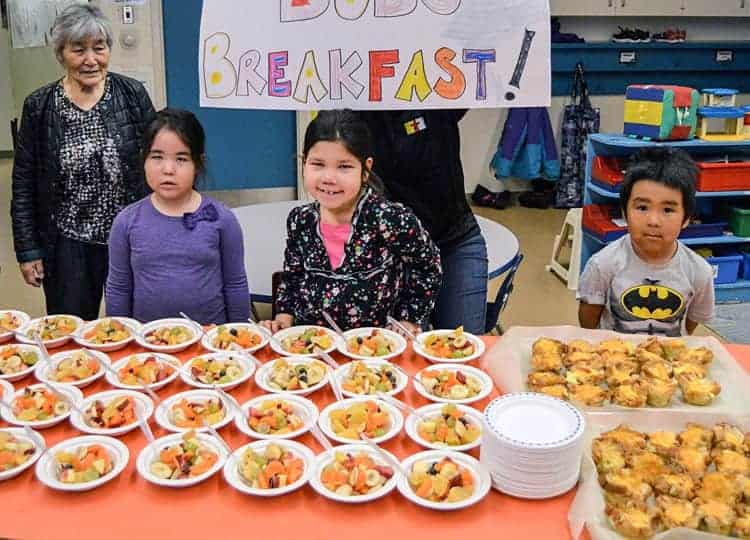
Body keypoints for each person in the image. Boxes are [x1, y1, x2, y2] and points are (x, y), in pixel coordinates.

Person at [10, 3, 156, 319]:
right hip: (67, 241)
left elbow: (157, 162)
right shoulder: (39, 105)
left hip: (127, 235)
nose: (91, 60)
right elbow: (23, 182)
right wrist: (28, 249)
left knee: (136, 325)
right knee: (72, 327)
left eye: (99, 48)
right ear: (61, 53)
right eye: (78, 50)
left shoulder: (132, 95)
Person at [261, 109, 442, 333]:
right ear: (303, 163)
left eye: (344, 167)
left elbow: (427, 266)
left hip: (374, 349)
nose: (329, 178)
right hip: (312, 349)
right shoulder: (301, 220)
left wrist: (409, 319)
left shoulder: (390, 218)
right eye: (317, 164)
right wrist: (283, 319)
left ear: (365, 170)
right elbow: (293, 278)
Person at [105, 108, 250, 324]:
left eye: (181, 159)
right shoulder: (126, 222)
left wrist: (237, 339)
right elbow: (119, 288)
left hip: (209, 343)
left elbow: (235, 284)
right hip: (147, 343)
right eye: (157, 157)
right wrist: (119, 339)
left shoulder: (223, 219)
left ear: (198, 164)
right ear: (143, 160)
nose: (168, 169)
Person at [357, 110, 489, 334]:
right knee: (407, 350)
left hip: (453, 240)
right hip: (396, 254)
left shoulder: (435, 100)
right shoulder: (352, 112)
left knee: (464, 345)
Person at [577, 147, 714, 336]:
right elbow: (589, 325)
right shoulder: (602, 265)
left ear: (686, 218)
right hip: (614, 358)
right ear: (625, 213)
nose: (653, 221)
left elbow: (689, 326)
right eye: (642, 207)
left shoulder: (699, 272)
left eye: (667, 210)